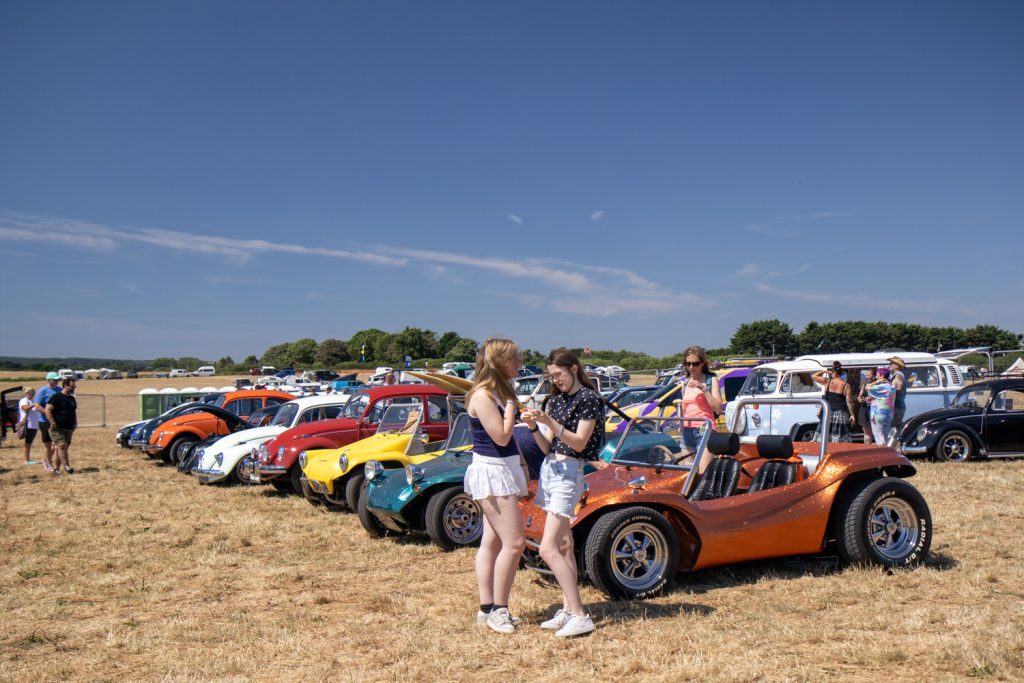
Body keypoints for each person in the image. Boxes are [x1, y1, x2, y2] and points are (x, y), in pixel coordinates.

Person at [522, 348, 602, 638]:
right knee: (564, 545)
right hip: (551, 471)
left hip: (569, 473)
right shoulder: (556, 400)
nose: (556, 380)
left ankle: (580, 614)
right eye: (552, 375)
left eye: (559, 374)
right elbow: (546, 447)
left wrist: (548, 421)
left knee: (548, 547)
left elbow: (580, 443)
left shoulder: (588, 399)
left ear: (573, 368)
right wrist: (533, 426)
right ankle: (569, 609)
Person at [463, 338, 528, 635]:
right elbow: (501, 437)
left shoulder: (495, 393)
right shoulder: (483, 395)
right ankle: (498, 610)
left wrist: (523, 464)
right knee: (514, 543)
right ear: (500, 362)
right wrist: (513, 407)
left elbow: (508, 441)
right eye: (515, 359)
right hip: (493, 473)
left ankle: (487, 607)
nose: (519, 364)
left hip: (503, 470)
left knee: (492, 542)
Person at [677, 346, 722, 454]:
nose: (691, 367)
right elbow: (685, 408)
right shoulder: (685, 383)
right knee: (687, 470)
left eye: (695, 363)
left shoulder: (711, 380)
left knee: (703, 471)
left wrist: (703, 388)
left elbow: (718, 408)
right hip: (686, 431)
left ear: (702, 363)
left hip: (704, 429)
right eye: (688, 364)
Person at [811, 361, 855, 442]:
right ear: (841, 373)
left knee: (825, 436)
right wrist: (852, 415)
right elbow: (849, 402)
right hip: (841, 414)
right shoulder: (845, 385)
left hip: (828, 412)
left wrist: (824, 371)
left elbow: (813, 376)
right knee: (838, 438)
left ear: (833, 372)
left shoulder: (827, 381)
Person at [45, 378, 78, 475]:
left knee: (62, 448)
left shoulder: (72, 398)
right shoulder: (56, 397)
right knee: (61, 445)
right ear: (66, 385)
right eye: (72, 385)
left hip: (69, 427)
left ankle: (56, 469)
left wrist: (75, 423)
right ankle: (67, 467)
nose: (74, 387)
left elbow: (73, 412)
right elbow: (47, 410)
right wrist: (52, 422)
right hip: (57, 428)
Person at [33, 372, 62, 472]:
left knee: (58, 444)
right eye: (55, 380)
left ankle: (45, 459)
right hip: (45, 421)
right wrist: (47, 412)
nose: (57, 381)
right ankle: (48, 464)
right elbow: (36, 405)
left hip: (57, 421)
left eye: (58, 379)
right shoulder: (43, 391)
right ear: (49, 380)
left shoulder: (59, 390)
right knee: (48, 445)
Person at [866, 368, 895, 446]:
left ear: (882, 375)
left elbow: (867, 387)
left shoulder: (880, 386)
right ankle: (888, 452)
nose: (876, 376)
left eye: (877, 375)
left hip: (878, 413)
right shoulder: (892, 386)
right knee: (886, 435)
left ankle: (882, 452)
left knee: (879, 435)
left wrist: (877, 382)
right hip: (889, 413)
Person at [18, 388, 42, 465]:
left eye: (34, 393)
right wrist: (34, 405)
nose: (33, 395)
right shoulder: (24, 400)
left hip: (34, 425)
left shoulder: (32, 401)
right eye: (32, 393)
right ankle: (26, 460)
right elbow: (25, 408)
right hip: (28, 424)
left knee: (29, 442)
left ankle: (27, 459)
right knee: (28, 442)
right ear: (27, 393)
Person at [857, 368, 877, 444]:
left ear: (873, 376)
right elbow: (859, 397)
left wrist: (872, 398)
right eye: (866, 375)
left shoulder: (878, 385)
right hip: (864, 409)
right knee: (866, 433)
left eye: (868, 375)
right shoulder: (864, 385)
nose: (866, 377)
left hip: (874, 409)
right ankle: (867, 447)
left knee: (875, 432)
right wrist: (861, 400)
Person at [888, 356, 908, 431]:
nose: (889, 365)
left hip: (897, 406)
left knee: (895, 428)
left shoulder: (897, 376)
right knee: (895, 427)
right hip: (898, 405)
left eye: (891, 363)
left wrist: (888, 387)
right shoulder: (897, 375)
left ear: (896, 365)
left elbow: (898, 388)